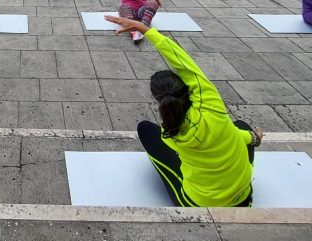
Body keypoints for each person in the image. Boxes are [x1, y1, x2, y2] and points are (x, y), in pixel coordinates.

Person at [104, 14, 264, 207]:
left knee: (146, 129)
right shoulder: (212, 104)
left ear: (159, 101)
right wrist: (146, 30)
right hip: (243, 196)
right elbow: (183, 62)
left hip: (198, 203)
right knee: (238, 127)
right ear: (186, 88)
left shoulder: (170, 132)